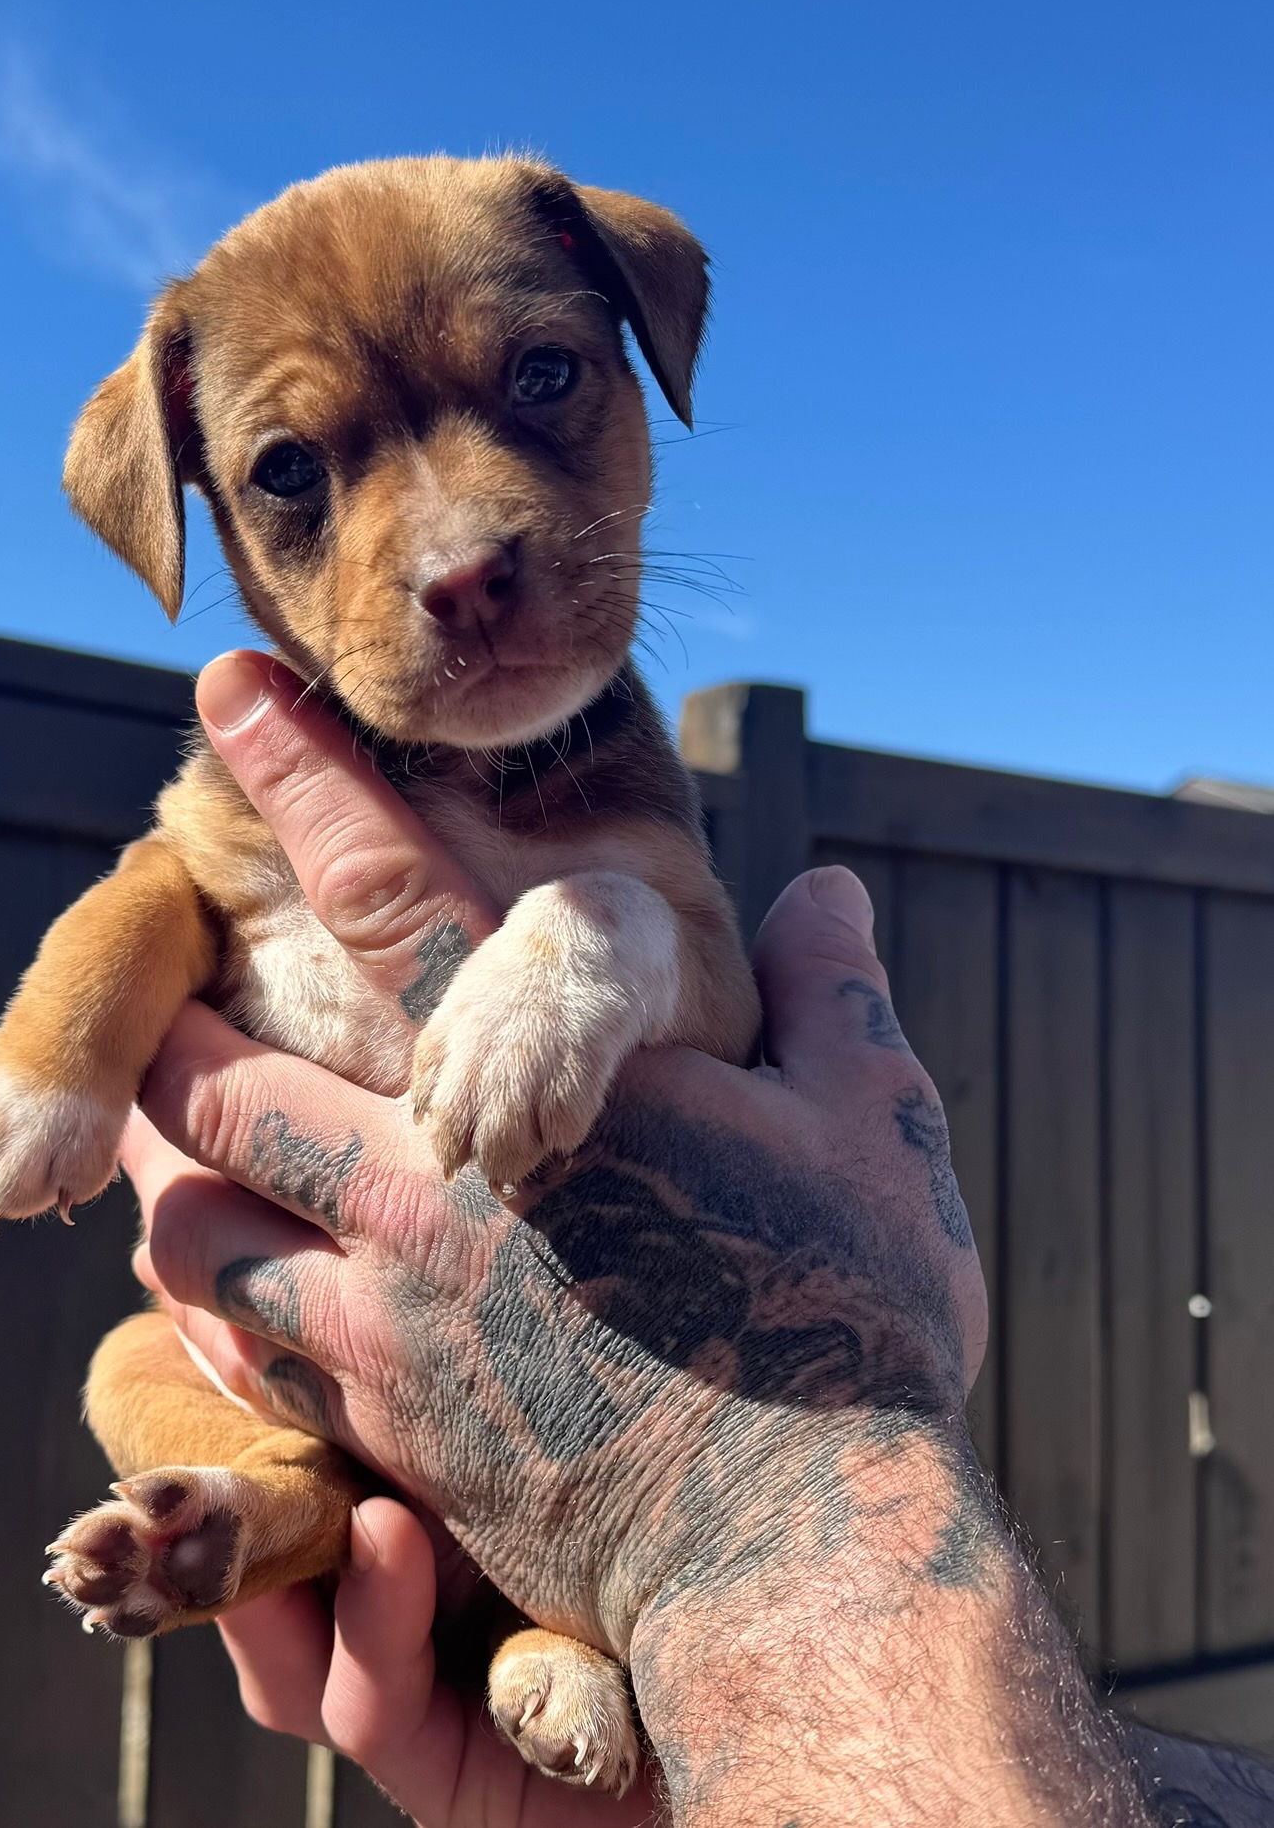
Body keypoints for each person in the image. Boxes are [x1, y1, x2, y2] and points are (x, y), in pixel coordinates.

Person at [121, 652, 1274, 1827]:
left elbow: (706, 991)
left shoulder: (616, 781)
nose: (457, 551)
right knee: (139, 1367)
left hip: (554, 1652)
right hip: (359, 1469)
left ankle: (524, 1638)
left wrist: (736, 1502)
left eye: (546, 446)